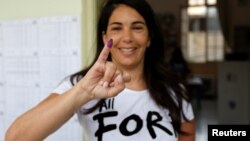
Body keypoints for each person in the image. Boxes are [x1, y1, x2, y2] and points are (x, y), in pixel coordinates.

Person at [5, 0, 195, 140]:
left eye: (137, 28)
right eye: (116, 28)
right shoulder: (82, 83)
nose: (127, 37)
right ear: (105, 37)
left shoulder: (174, 89)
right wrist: (83, 92)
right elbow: (15, 138)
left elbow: (187, 136)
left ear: (149, 38)